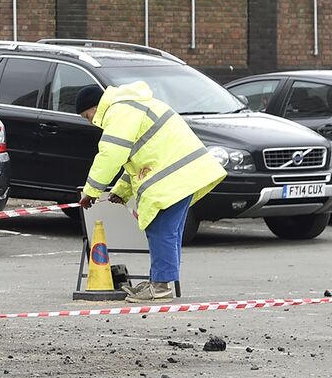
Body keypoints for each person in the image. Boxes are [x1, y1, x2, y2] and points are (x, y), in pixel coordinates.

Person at [74, 82, 225, 303]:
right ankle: (158, 281)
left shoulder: (119, 112)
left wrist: (91, 191)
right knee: (167, 231)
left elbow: (112, 154)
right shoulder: (130, 105)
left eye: (88, 116)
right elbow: (136, 158)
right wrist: (121, 191)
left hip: (172, 176)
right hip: (181, 173)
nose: (92, 122)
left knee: (160, 229)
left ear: (95, 107)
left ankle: (161, 287)